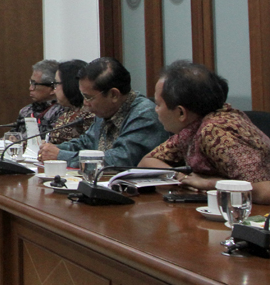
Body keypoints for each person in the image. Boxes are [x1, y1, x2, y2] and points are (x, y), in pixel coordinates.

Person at [139, 61, 270, 205]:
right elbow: (147, 162)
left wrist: (210, 183)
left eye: (158, 104)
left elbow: (265, 192)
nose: (156, 110)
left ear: (181, 112)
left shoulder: (217, 132)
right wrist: (182, 178)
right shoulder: (194, 127)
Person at [38, 57, 169, 167]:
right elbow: (86, 143)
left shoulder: (145, 115)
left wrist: (61, 156)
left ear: (113, 95)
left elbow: (120, 160)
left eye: (88, 97)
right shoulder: (105, 111)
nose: (85, 103)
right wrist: (54, 149)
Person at [46, 59, 95, 145]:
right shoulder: (68, 111)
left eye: (56, 84)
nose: (54, 90)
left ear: (69, 84)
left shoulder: (88, 115)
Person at [15, 60, 62, 136]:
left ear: (53, 88)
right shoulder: (26, 111)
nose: (30, 88)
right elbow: (15, 133)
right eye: (31, 83)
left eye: (34, 84)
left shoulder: (62, 112)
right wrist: (12, 137)